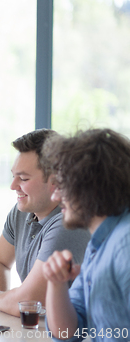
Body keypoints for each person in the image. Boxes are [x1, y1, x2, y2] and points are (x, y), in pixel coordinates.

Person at [0, 129, 90, 317]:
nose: (13, 186)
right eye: (14, 175)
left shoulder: (68, 223)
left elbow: (29, 299)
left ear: (56, 181)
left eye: (23, 178)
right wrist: (1, 310)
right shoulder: (22, 211)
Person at [42, 128, 130, 341]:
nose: (54, 196)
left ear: (90, 186)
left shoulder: (124, 244)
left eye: (62, 185)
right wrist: (56, 284)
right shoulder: (98, 246)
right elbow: (67, 333)